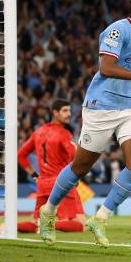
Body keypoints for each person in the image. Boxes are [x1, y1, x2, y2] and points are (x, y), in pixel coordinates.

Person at [39, 0, 131, 248]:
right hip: (102, 106)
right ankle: (48, 211)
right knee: (81, 167)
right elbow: (107, 68)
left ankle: (100, 218)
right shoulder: (117, 30)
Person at [16, 99, 85, 234]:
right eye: (65, 111)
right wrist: (76, 177)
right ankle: (49, 226)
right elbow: (75, 158)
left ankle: (9, 226)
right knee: (79, 224)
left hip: (43, 184)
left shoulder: (38, 132)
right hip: (61, 183)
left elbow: (20, 155)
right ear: (55, 113)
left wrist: (34, 175)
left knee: (36, 222)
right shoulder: (64, 134)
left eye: (69, 110)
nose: (69, 114)